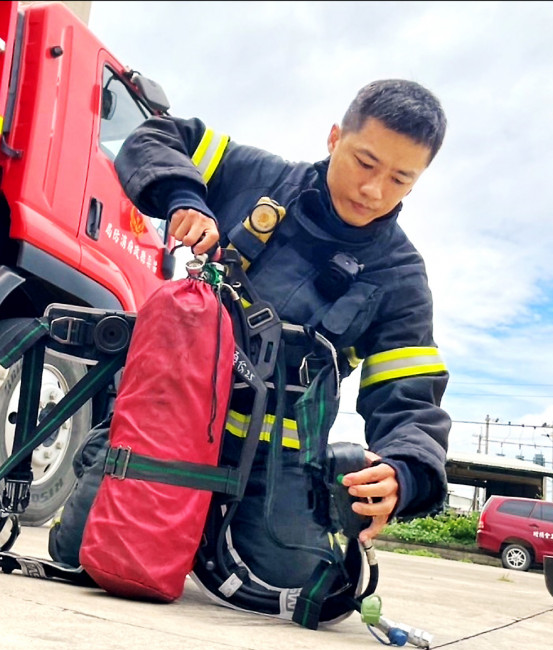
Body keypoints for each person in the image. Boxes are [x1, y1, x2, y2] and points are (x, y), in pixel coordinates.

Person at [113, 79, 451, 588]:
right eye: (365, 162)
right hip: (165, 429)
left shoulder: (400, 279)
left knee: (310, 586)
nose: (374, 190)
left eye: (401, 179)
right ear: (335, 137)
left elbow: (409, 400)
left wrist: (406, 472)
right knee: (91, 557)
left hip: (276, 471)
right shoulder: (254, 177)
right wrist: (184, 198)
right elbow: (154, 137)